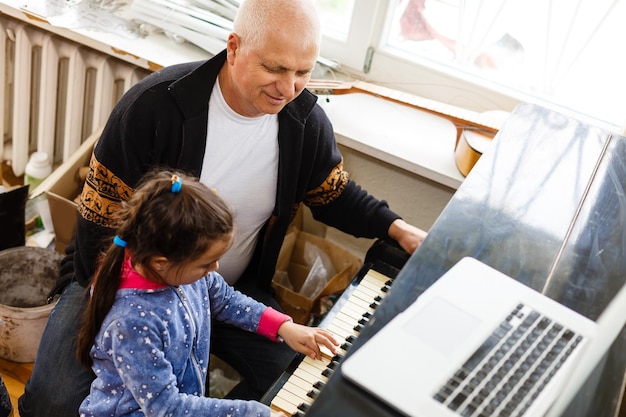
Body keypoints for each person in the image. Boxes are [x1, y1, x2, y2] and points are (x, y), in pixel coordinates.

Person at [19, 0, 427, 415]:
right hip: (118, 283)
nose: (289, 89)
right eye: (275, 68)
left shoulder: (303, 121)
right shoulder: (153, 107)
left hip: (224, 289)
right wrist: (135, 312)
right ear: (233, 48)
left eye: (304, 72)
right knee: (51, 404)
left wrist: (397, 229)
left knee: (300, 383)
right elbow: (97, 228)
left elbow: (333, 192)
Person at [76, 170, 337, 417]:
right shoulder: (132, 323)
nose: (215, 268)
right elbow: (166, 407)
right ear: (160, 262)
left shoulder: (184, 275)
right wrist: (254, 412)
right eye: (206, 263)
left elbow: (225, 300)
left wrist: (283, 326)